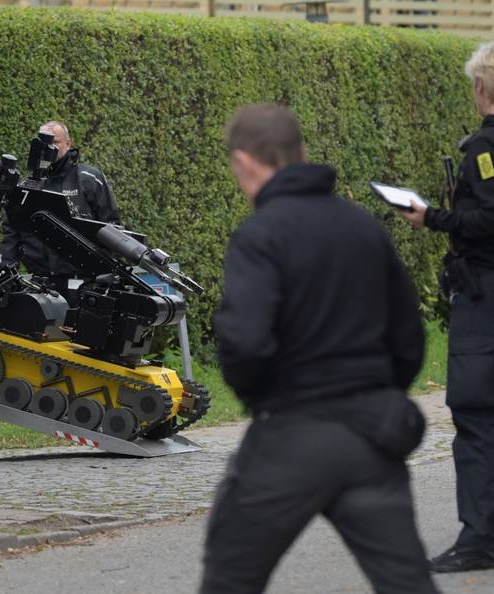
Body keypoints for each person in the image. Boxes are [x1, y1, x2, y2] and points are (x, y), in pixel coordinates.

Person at [200, 104, 439, 594]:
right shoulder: (363, 227)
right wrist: (376, 389)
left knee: (230, 578)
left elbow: (245, 341)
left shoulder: (260, 235)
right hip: (373, 435)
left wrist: (264, 399)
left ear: (243, 162)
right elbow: (408, 338)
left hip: (290, 437)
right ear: (301, 153)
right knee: (407, 583)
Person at [399, 41, 494, 574]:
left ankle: (480, 539)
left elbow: (489, 219)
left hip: (485, 298)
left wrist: (431, 217)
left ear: (481, 88)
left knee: (476, 413)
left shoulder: (484, 148)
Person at [0, 120, 120, 301]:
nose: (50, 148)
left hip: (83, 283)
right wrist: (6, 271)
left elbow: (112, 226)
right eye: (44, 143)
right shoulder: (26, 186)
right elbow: (11, 232)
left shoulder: (89, 178)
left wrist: (107, 273)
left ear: (68, 143)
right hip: (40, 284)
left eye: (55, 142)